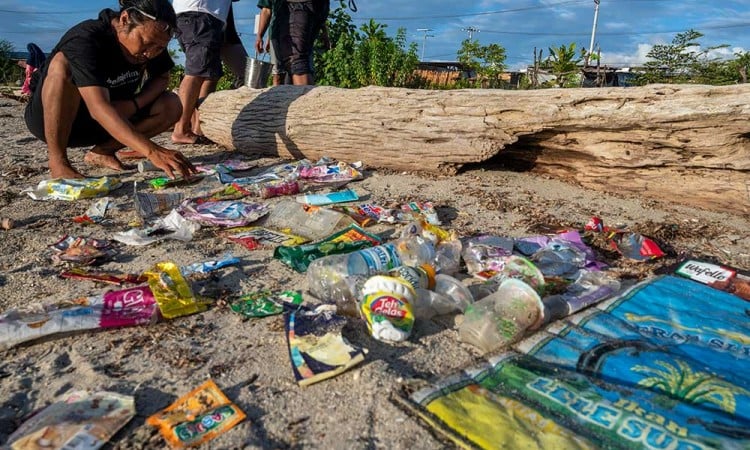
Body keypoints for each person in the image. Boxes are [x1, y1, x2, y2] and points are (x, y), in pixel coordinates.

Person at [23, 0, 195, 180]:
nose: (150, 54)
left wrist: (134, 104)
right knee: (61, 63)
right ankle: (58, 161)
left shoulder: (154, 39)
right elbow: (98, 108)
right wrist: (152, 151)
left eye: (159, 48)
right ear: (124, 19)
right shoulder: (85, 39)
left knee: (172, 104)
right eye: (145, 43)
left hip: (109, 119)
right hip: (52, 120)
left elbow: (162, 77)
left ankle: (102, 151)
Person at [171, 0, 233, 144]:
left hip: (206, 16)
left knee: (210, 75)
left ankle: (198, 128)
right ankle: (180, 129)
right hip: (199, 14)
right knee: (196, 72)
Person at [277, 0, 329, 85]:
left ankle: (305, 97)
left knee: (295, 59)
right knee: (302, 58)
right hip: (316, 6)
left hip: (299, 5)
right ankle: (305, 95)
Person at [255, 0, 287, 86]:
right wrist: (260, 36)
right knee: (278, 73)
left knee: (300, 70)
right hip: (278, 32)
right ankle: (278, 98)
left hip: (301, 32)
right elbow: (266, 9)